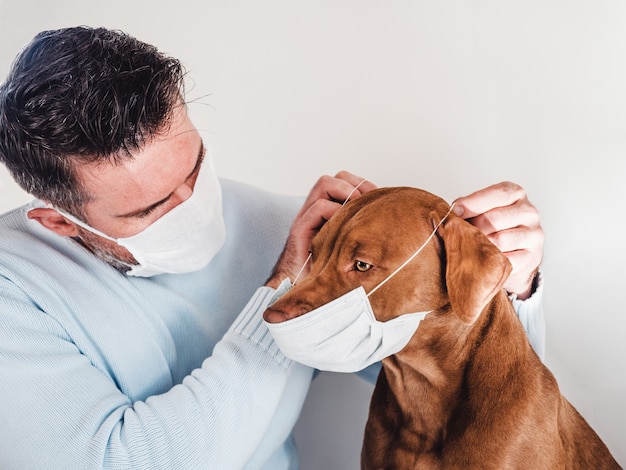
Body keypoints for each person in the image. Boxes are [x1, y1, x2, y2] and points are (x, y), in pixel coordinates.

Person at [0, 26, 544, 469]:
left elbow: (454, 383)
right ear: (57, 221)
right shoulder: (14, 289)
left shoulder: (292, 230)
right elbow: (121, 462)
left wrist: (505, 285)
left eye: (195, 168)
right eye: (150, 209)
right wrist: (282, 297)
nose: (192, 205)